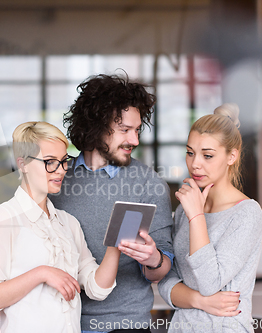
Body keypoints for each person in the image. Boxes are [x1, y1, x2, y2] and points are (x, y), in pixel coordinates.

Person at [51, 74, 174, 333]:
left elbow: (161, 269)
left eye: (137, 130)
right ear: (96, 126)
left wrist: (153, 259)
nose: (135, 140)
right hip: (61, 323)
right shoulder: (55, 181)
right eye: (124, 130)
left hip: (125, 325)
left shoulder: (149, 184)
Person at [0, 121, 121, 333]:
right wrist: (41, 273)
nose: (60, 171)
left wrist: (116, 245)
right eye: (50, 162)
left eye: (64, 161)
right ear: (22, 164)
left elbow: (97, 289)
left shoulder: (68, 222)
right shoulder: (4, 217)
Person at [157, 103, 262, 332]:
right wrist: (199, 301)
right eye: (190, 153)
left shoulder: (246, 213)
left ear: (231, 156)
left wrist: (197, 217)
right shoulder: (188, 208)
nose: (195, 164)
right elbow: (166, 283)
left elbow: (209, 283)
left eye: (207, 155)